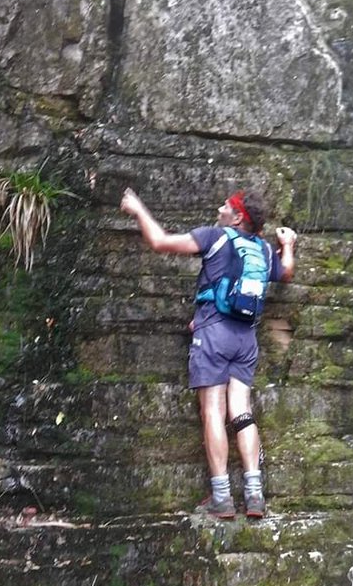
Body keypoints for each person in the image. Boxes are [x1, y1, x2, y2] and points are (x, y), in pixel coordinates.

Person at [120, 186, 297, 518]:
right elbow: (286, 272)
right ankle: (254, 495)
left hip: (214, 335)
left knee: (213, 411)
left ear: (238, 217)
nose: (219, 209)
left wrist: (138, 209)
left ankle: (222, 497)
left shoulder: (214, 237)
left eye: (225, 206)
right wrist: (287, 245)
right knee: (242, 412)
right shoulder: (262, 248)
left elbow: (160, 242)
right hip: (246, 339)